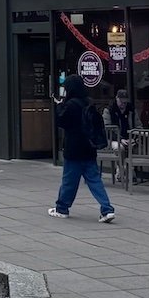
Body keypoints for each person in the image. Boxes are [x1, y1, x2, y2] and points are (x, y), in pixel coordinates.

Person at [48, 74, 115, 223]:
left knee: (69, 181)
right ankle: (107, 209)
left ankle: (62, 208)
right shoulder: (89, 102)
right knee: (95, 180)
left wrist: (59, 105)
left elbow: (61, 121)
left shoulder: (71, 105)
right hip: (89, 148)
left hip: (73, 148)